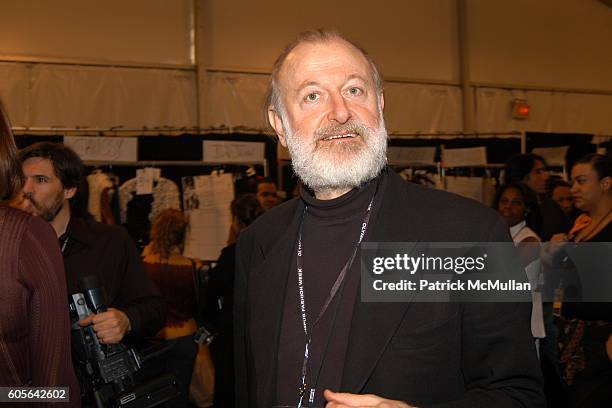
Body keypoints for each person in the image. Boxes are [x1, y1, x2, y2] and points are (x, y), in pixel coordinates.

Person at [235, 29, 544, 408]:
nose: (340, 112)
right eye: (312, 96)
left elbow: (518, 393)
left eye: (354, 90)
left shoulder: (471, 234)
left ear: (379, 104)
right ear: (280, 124)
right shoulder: (258, 241)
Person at [0, 104, 80, 405]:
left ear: (70, 190)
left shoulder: (110, 241)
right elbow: (52, 386)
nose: (28, 189)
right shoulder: (24, 236)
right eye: (25, 179)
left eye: (41, 180)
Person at [545, 153, 612, 408]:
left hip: (599, 344)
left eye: (582, 181)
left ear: (605, 183)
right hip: (569, 340)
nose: (574, 189)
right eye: (573, 182)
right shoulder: (581, 225)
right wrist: (552, 255)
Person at [208, 194, 263, 407]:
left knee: (228, 390)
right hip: (261, 334)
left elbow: (211, 296)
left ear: (236, 220)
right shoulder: (271, 247)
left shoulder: (233, 253)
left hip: (231, 333)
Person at [141, 209, 200, 408]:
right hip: (185, 338)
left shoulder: (143, 266)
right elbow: (199, 306)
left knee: (151, 398)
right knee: (179, 398)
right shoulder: (192, 266)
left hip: (153, 341)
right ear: (182, 234)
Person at [494, 184, 545, 343]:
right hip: (503, 324)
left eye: (516, 202)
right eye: (504, 201)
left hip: (521, 328)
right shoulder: (498, 237)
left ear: (526, 209)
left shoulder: (529, 240)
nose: (508, 206)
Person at [504, 153, 570, 241]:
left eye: (545, 171)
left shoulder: (551, 207)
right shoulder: (507, 209)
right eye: (538, 172)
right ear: (522, 177)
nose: (546, 176)